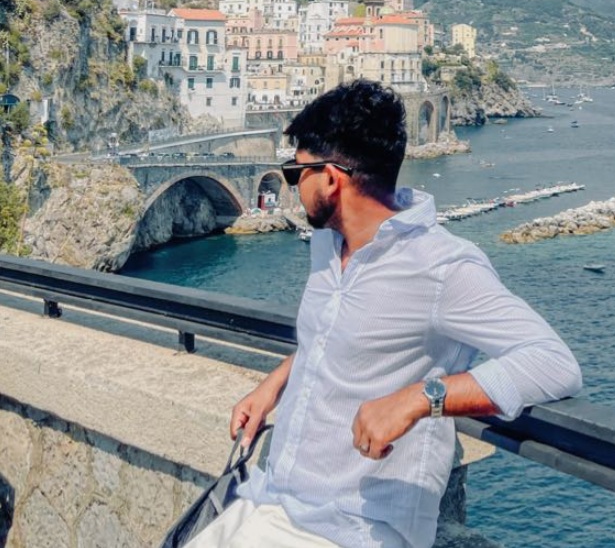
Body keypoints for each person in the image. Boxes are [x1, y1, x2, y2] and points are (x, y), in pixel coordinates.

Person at [186, 79, 582, 548]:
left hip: (353, 528)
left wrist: (420, 398)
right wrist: (272, 385)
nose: (293, 186)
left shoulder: (442, 267)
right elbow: (336, 333)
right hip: (271, 497)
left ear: (330, 180)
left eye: (296, 173)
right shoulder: (326, 243)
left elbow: (553, 364)